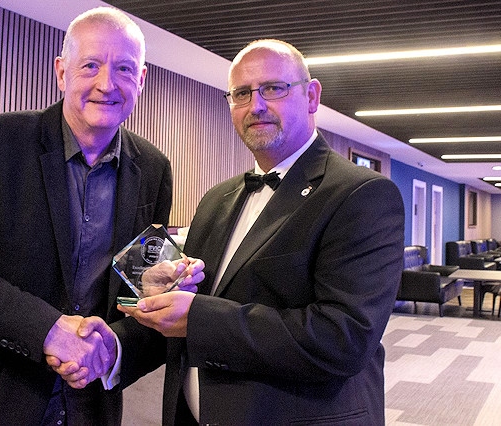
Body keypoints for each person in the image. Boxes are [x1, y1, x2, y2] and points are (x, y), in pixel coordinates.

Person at [0, 7, 185, 425]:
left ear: (141, 80)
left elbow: (139, 289)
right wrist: (47, 329)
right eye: (90, 65)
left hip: (90, 405)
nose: (106, 83)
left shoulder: (154, 168)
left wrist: (114, 344)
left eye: (124, 69)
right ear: (61, 71)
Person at [119, 39, 405, 425]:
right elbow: (191, 302)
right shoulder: (216, 198)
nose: (255, 105)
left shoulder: (362, 194)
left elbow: (344, 338)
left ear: (311, 95)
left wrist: (199, 317)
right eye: (241, 93)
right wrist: (152, 300)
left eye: (272, 88)